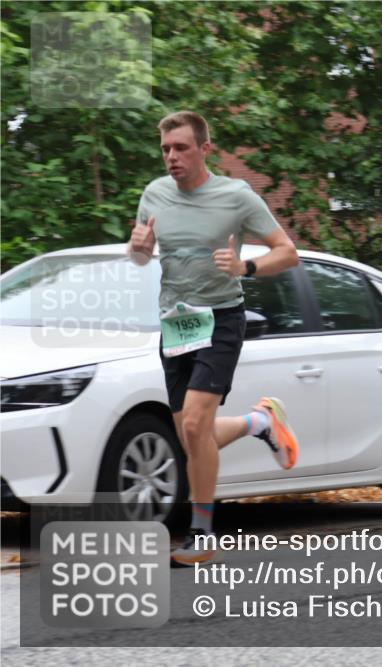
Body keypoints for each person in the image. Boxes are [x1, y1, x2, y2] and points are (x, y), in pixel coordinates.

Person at [128, 111, 301, 565]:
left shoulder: (236, 196)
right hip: (176, 322)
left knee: (191, 425)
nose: (171, 157)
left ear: (205, 149)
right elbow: (141, 255)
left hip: (222, 317)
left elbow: (288, 253)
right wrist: (139, 249)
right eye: (166, 149)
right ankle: (259, 423)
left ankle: (201, 535)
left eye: (181, 148)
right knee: (194, 436)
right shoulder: (155, 194)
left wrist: (245, 267)